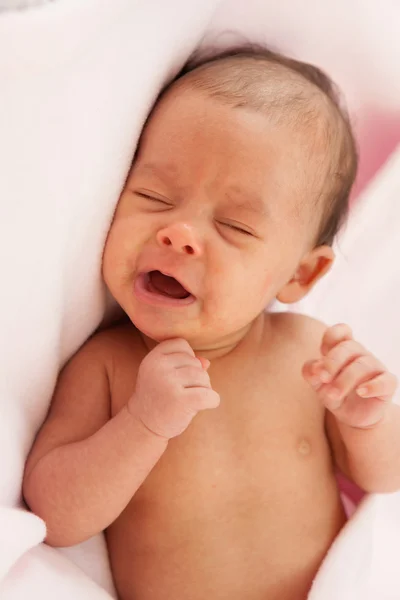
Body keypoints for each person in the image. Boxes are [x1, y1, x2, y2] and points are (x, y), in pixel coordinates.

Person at [22, 46, 400, 600]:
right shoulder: (108, 367)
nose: (180, 234)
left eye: (234, 227)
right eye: (153, 196)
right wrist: (142, 424)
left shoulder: (308, 356)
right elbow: (55, 517)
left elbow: (384, 478)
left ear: (301, 274)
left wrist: (366, 420)